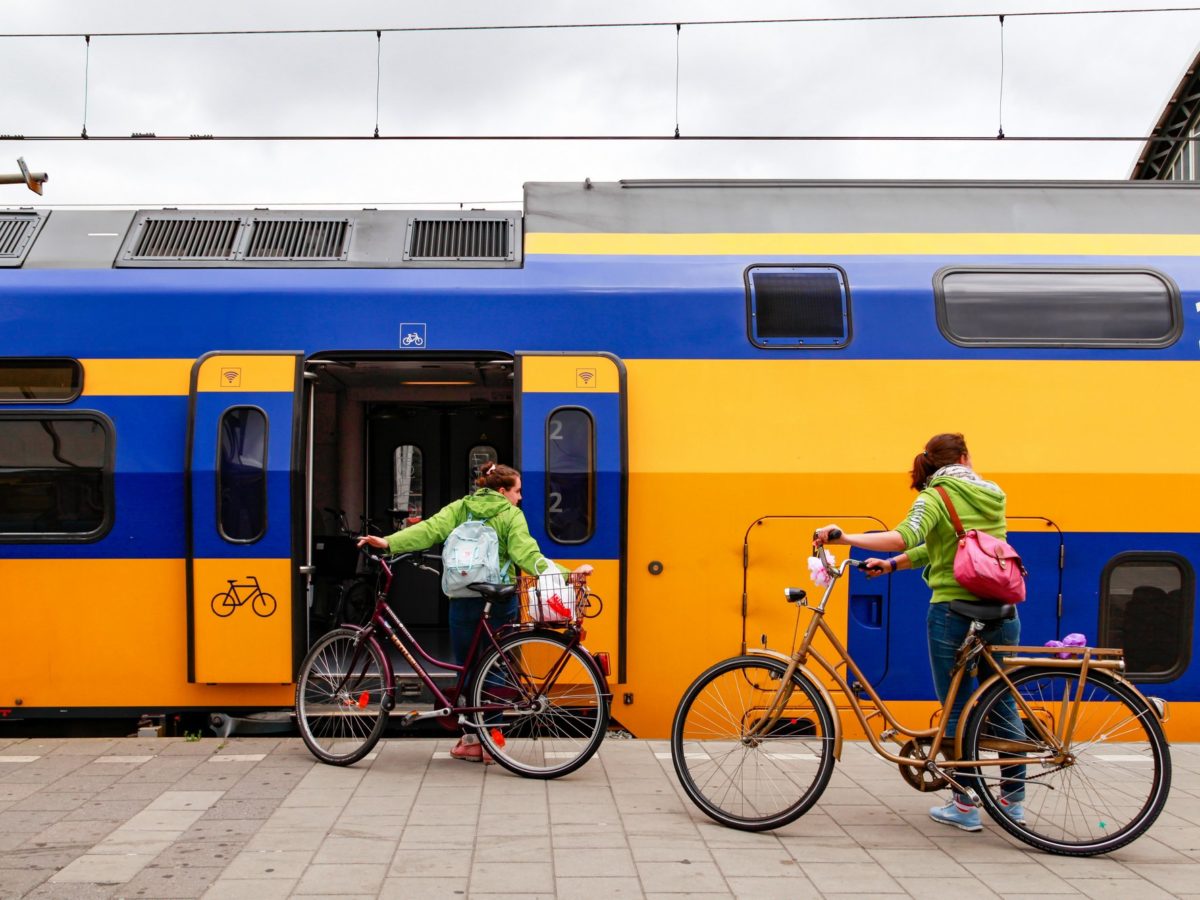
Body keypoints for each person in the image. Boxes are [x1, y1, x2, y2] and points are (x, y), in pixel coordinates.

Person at [813, 432, 1025, 833]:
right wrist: (892, 565)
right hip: (1002, 610)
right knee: (1001, 702)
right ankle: (1013, 802)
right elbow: (955, 545)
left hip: (954, 611)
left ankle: (965, 805)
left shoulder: (935, 496)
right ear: (965, 457)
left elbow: (904, 535)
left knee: (957, 706)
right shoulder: (994, 494)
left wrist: (845, 538)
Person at [358, 462, 592, 763]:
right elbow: (528, 555)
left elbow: (429, 530)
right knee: (496, 667)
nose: (520, 498)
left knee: (467, 667)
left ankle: (471, 739)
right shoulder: (510, 515)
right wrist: (567, 573)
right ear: (502, 490)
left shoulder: (460, 508)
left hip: (463, 598)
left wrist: (389, 542)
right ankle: (492, 738)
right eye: (517, 491)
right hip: (499, 600)